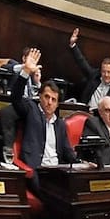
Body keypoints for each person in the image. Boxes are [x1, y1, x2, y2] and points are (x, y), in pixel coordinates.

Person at [11, 49, 79, 189]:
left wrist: (82, 162)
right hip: (36, 171)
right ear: (40, 97)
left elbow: (67, 152)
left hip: (56, 173)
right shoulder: (32, 109)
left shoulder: (60, 124)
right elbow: (15, 98)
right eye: (46, 97)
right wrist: (25, 72)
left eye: (53, 100)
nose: (49, 102)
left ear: (57, 104)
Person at [0, 47, 42, 162]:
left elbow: (36, 94)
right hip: (18, 103)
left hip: (30, 106)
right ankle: (8, 150)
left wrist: (37, 82)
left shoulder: (33, 75)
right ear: (24, 58)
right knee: (7, 112)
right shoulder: (15, 66)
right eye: (29, 57)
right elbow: (4, 67)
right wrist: (24, 68)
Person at [68, 28, 110, 110]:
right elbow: (82, 62)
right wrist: (73, 45)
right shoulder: (95, 75)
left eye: (109, 72)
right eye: (103, 72)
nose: (106, 75)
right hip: (86, 113)